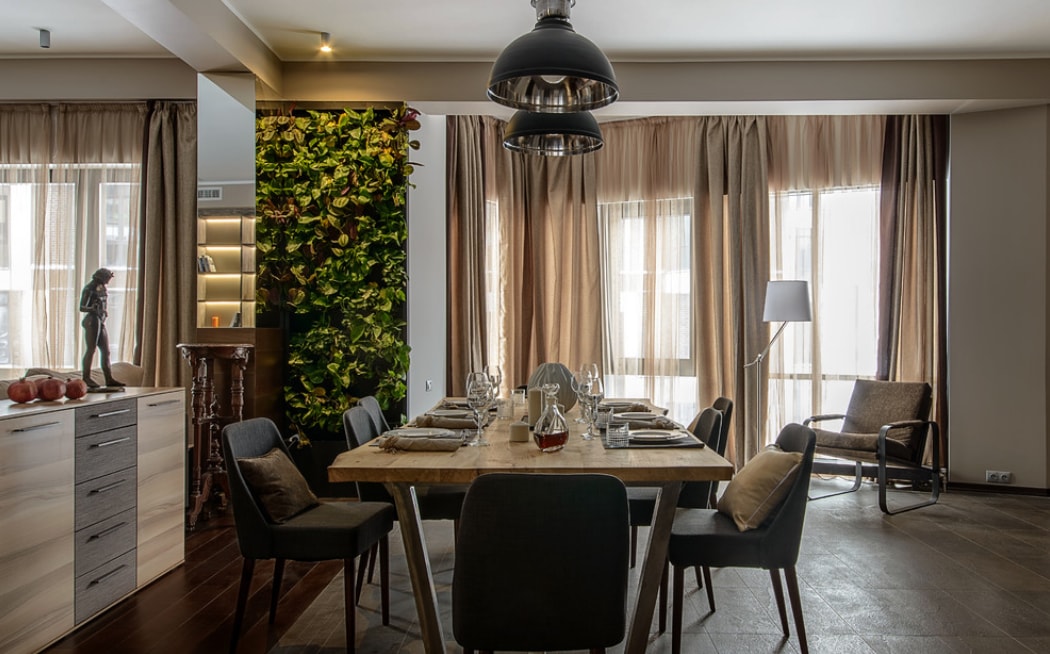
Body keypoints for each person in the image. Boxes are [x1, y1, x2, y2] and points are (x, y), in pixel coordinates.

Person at [80, 268, 124, 388]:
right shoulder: (90, 288)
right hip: (92, 320)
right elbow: (82, 307)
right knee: (91, 349)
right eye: (108, 278)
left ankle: (109, 378)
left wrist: (103, 311)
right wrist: (94, 309)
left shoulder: (102, 288)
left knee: (106, 351)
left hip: (100, 320)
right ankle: (86, 378)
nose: (109, 280)